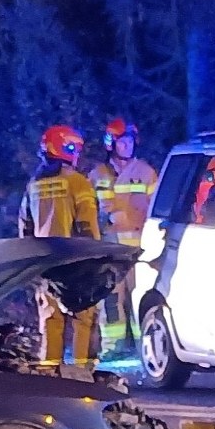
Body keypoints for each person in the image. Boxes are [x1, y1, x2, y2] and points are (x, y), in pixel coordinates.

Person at [18, 125, 102, 368]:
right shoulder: (78, 183)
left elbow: (26, 228)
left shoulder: (34, 185)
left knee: (51, 322)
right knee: (84, 320)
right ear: (65, 148)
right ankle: (82, 378)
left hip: (44, 265)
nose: (77, 153)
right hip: (76, 263)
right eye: (74, 148)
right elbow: (88, 227)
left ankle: (49, 378)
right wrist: (96, 260)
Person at [88, 118, 157, 356]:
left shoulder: (146, 173)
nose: (126, 146)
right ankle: (113, 348)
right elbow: (86, 210)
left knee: (140, 297)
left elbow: (156, 209)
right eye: (121, 142)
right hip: (107, 247)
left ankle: (144, 348)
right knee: (109, 299)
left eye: (129, 141)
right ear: (111, 144)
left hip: (139, 249)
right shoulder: (97, 175)